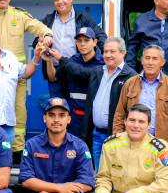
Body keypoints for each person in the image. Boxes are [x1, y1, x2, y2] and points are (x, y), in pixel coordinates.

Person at [0, 0, 53, 154]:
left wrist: (46, 35)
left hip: (16, 76)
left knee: (19, 113)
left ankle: (16, 151)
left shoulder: (20, 16)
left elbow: (39, 27)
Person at [50, 37, 134, 171]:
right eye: (105, 52)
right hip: (96, 135)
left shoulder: (131, 76)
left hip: (116, 137)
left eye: (112, 51)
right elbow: (79, 71)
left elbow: (132, 111)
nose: (108, 55)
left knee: (115, 174)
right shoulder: (97, 72)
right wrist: (61, 59)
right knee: (98, 174)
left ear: (122, 53)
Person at [40, 0, 107, 102]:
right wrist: (43, 40)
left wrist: (103, 57)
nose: (60, 2)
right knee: (57, 107)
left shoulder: (84, 18)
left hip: (76, 70)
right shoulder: (48, 20)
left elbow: (100, 36)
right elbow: (37, 41)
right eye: (56, 0)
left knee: (77, 105)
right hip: (55, 72)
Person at [111, 45, 168, 144]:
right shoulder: (130, 83)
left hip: (159, 143)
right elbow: (119, 115)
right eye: (147, 58)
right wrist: (119, 141)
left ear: (162, 62)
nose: (150, 63)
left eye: (155, 59)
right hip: (131, 142)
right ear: (142, 60)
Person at [43, 27, 104, 136]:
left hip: (95, 117)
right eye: (79, 41)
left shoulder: (103, 63)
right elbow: (53, 78)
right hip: (75, 118)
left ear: (95, 42)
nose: (82, 44)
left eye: (86, 40)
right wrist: (48, 61)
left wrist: (61, 59)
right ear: (76, 43)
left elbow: (84, 73)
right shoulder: (72, 60)